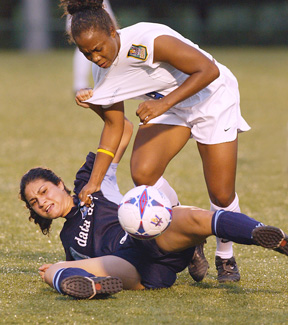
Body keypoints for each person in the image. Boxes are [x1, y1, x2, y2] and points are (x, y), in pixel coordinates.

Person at [59, 0, 251, 283]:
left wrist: (163, 105)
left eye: (98, 48)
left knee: (221, 194)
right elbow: (114, 126)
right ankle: (187, 234)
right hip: (170, 106)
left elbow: (208, 70)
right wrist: (94, 182)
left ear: (113, 31)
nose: (95, 58)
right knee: (144, 174)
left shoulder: (146, 41)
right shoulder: (102, 72)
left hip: (211, 97)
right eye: (86, 53)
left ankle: (225, 255)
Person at [20, 148, 288, 299]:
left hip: (150, 233)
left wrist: (100, 101)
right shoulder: (67, 239)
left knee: (195, 217)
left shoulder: (89, 184)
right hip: (132, 266)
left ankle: (266, 235)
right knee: (51, 269)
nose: (42, 202)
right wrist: (63, 266)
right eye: (34, 202)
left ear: (58, 184)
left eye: (44, 191)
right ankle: (94, 287)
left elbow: (119, 128)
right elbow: (78, 261)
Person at [66, 0, 117, 92]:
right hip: (83, 14)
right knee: (89, 46)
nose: (95, 58)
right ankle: (80, 84)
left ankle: (81, 84)